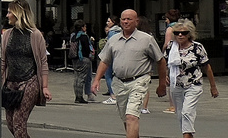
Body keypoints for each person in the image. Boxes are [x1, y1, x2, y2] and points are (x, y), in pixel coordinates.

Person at [92, 9, 166, 138]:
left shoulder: (146, 39)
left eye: (129, 19)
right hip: (119, 83)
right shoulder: (113, 39)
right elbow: (105, 61)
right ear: (120, 21)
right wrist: (96, 80)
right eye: (123, 19)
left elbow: (160, 61)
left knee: (132, 116)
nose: (126, 22)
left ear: (136, 21)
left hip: (139, 81)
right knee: (126, 119)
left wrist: (162, 84)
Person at [0, 0, 50, 138]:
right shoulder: (7, 35)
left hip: (29, 82)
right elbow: (3, 62)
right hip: (10, 83)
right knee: (10, 124)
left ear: (19, 13)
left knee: (18, 122)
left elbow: (43, 62)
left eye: (10, 12)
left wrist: (44, 86)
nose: (7, 15)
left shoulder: (35, 35)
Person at [160, 20, 217, 138]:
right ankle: (188, 135)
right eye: (177, 33)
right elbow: (164, 63)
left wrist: (213, 86)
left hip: (193, 84)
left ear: (189, 34)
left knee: (187, 111)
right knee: (181, 114)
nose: (180, 35)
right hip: (176, 85)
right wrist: (165, 76)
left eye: (184, 33)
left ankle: (186, 136)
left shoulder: (197, 47)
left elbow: (207, 67)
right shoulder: (171, 46)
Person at [70, 20, 96, 104]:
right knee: (81, 78)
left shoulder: (74, 36)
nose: (86, 28)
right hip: (83, 59)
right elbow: (87, 48)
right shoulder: (84, 36)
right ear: (82, 27)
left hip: (75, 59)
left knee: (77, 78)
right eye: (85, 26)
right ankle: (80, 97)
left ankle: (77, 95)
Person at [101, 17, 121, 102]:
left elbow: (110, 45)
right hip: (119, 55)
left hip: (111, 56)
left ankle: (113, 95)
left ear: (114, 22)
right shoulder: (121, 31)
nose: (107, 22)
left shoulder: (111, 32)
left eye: (109, 21)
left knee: (108, 75)